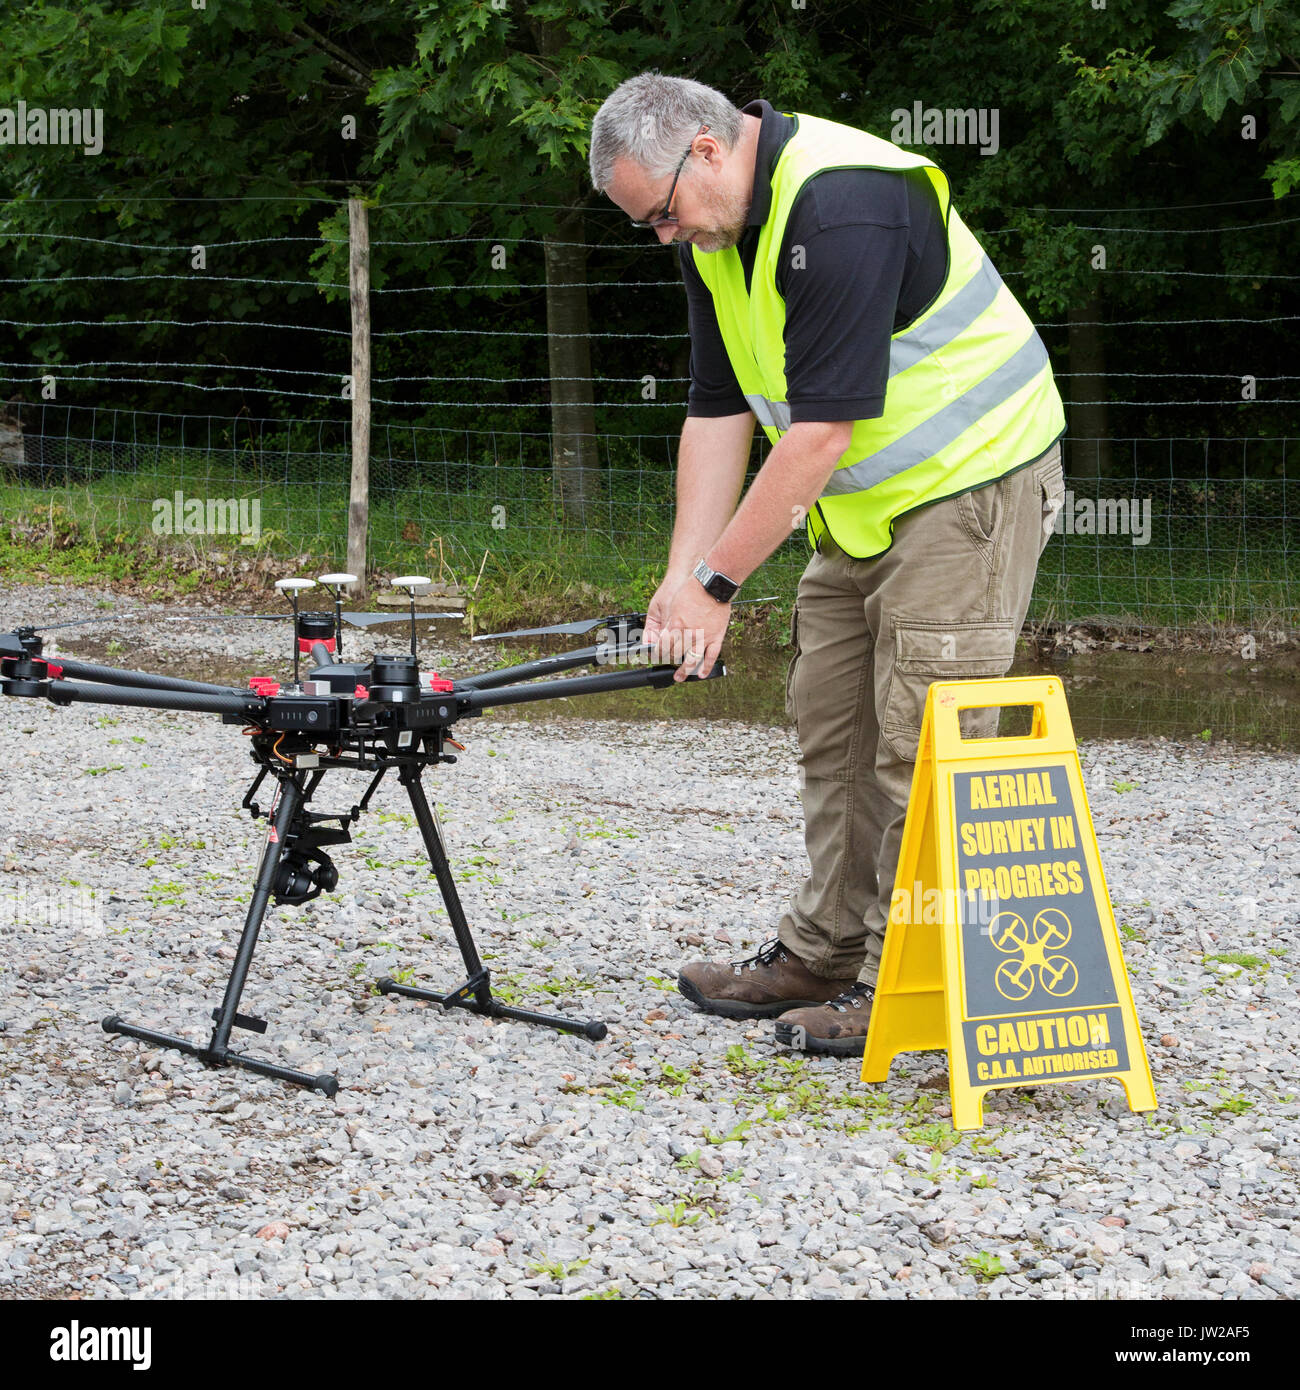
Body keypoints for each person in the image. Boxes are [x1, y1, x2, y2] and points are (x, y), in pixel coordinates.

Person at [588, 74, 1065, 1056]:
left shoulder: (841, 205)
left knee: (918, 748)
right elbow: (716, 412)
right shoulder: (716, 234)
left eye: (664, 215)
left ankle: (903, 984)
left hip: (970, 483)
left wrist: (719, 586)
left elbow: (817, 436)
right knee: (831, 724)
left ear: (708, 151)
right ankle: (820, 952)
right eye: (648, 227)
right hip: (862, 508)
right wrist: (681, 578)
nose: (666, 239)